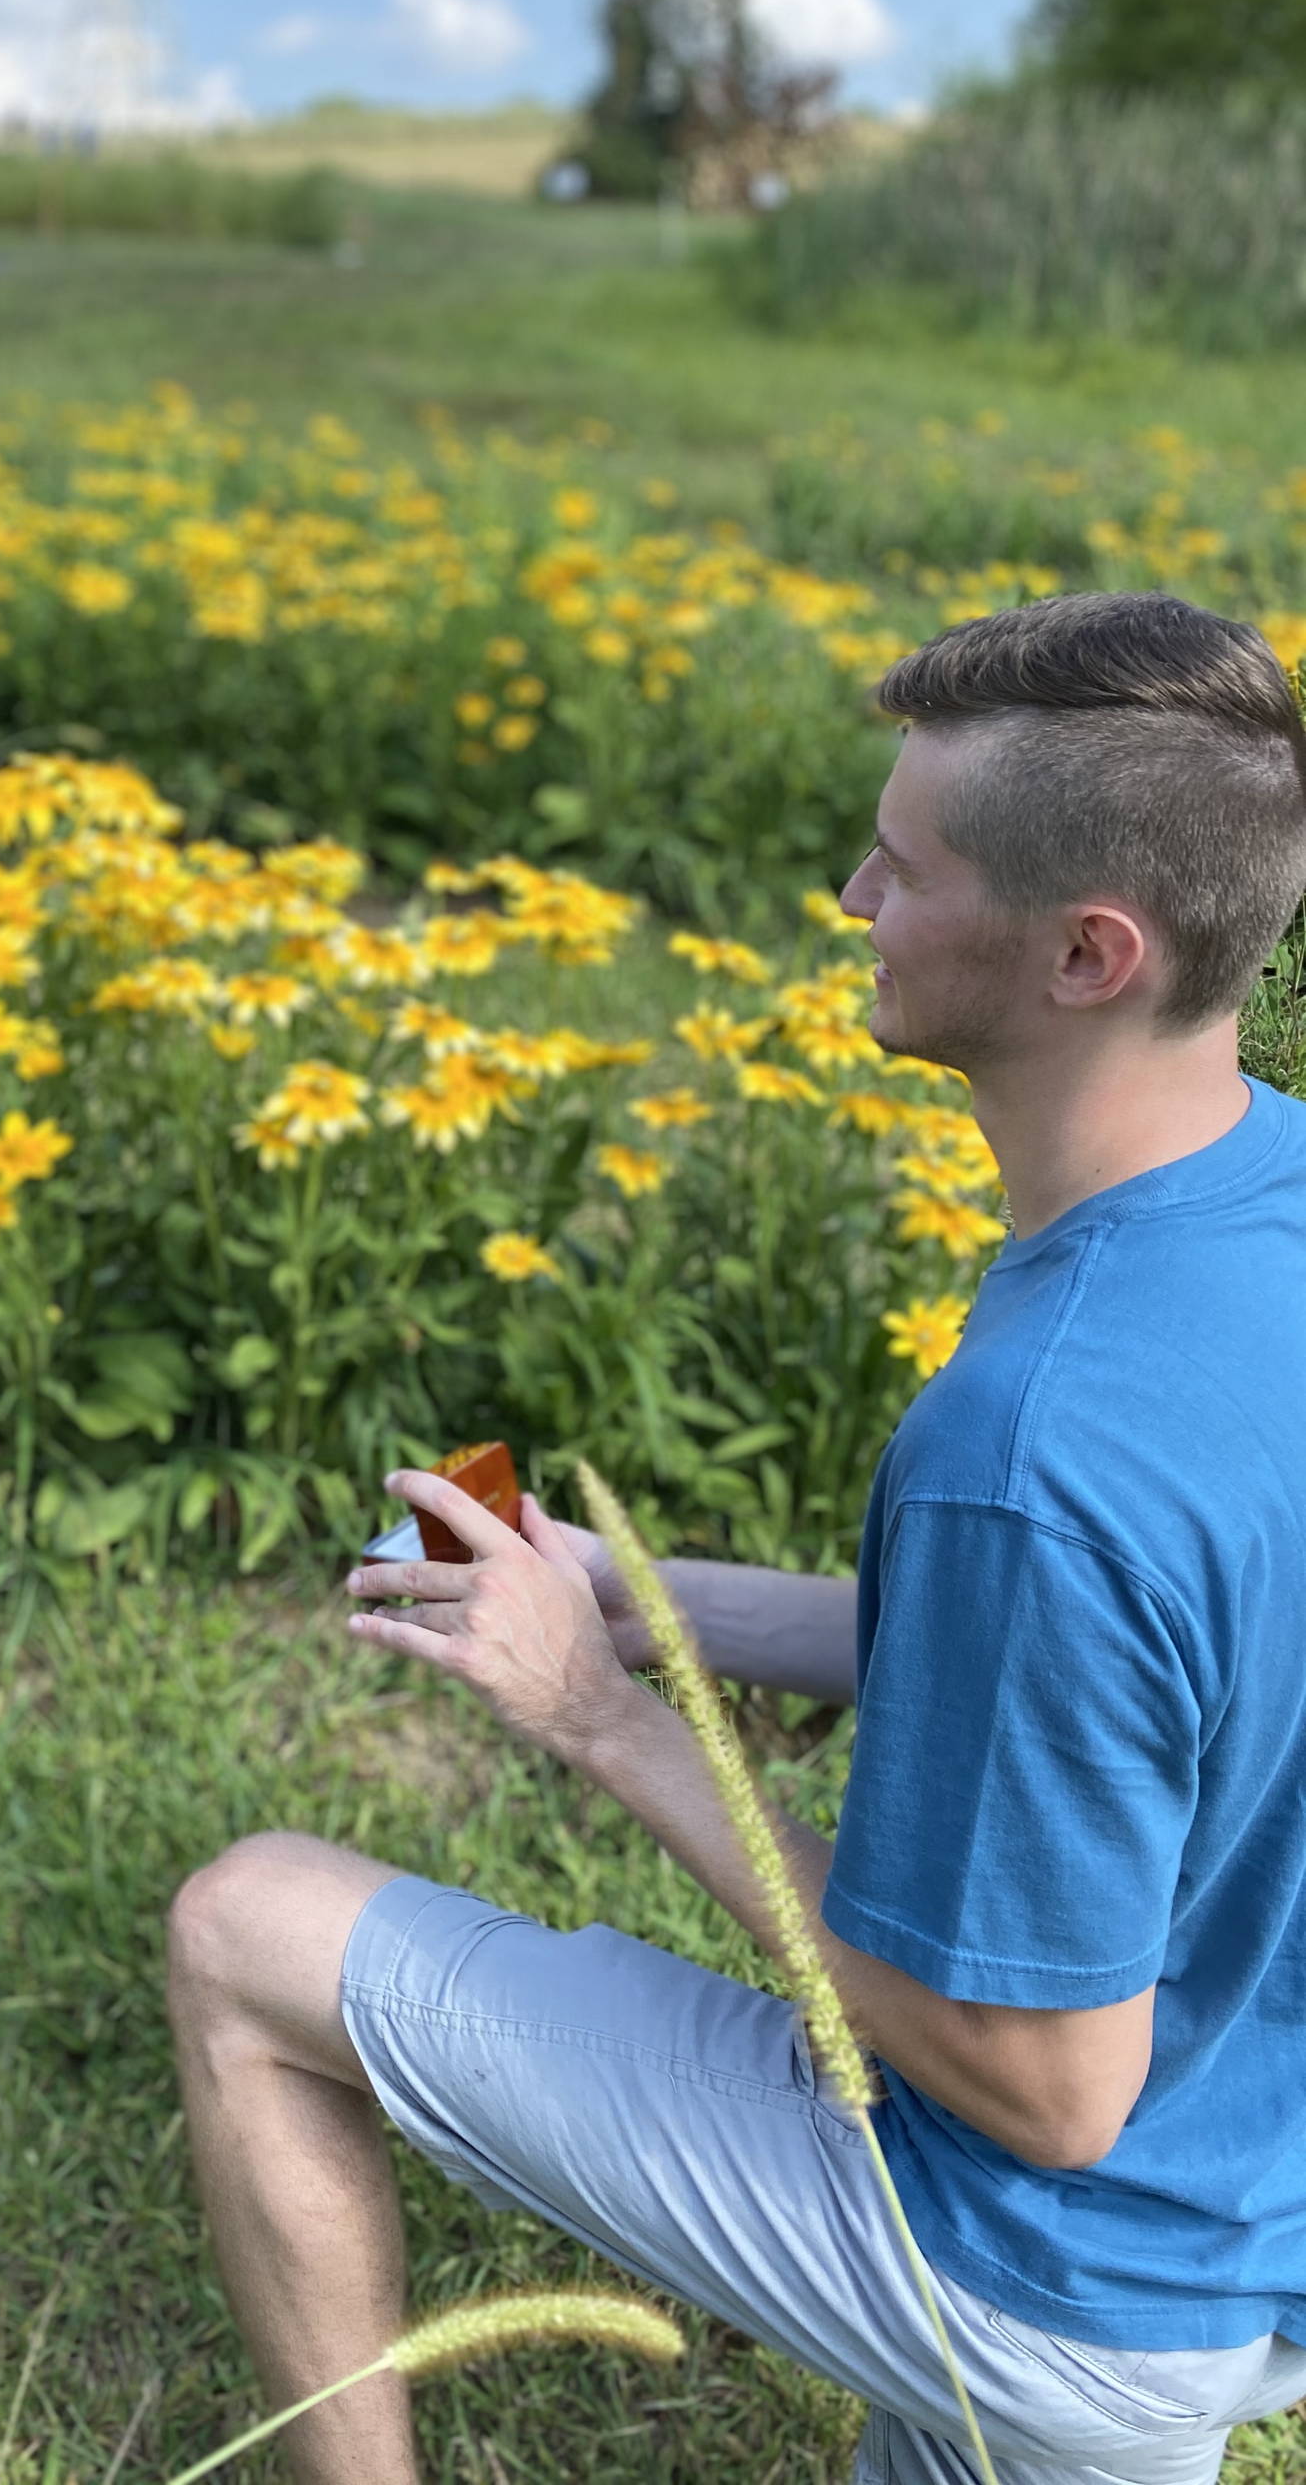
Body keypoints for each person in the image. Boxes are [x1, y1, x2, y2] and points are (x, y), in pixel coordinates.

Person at [168, 591, 1306, 2483]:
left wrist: (599, 1723)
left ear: (1082, 954)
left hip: (1062, 2283)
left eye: (903, 861)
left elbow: (1043, 2089)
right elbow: (1135, 1655)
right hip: (1255, 2206)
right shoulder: (1260, 1207)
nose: (851, 893)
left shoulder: (1033, 1443)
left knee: (242, 1930)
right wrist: (642, 1608)